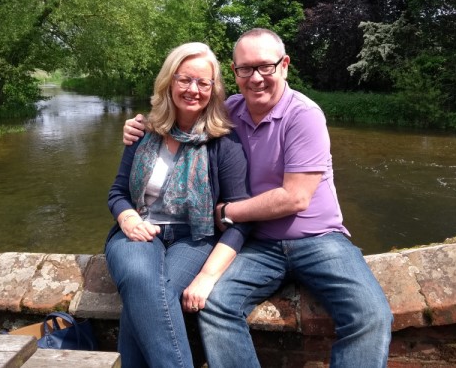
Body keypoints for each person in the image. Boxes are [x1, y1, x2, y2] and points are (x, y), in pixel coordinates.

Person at [123, 29, 393, 368]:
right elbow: (179, 118)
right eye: (245, 69)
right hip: (258, 245)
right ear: (234, 72)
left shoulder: (304, 115)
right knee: (216, 306)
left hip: (318, 239)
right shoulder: (227, 113)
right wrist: (141, 126)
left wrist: (228, 212)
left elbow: (295, 198)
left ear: (285, 65)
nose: (256, 78)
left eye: (265, 66)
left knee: (371, 316)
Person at [105, 42, 252, 368]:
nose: (193, 89)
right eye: (185, 79)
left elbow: (240, 219)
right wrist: (127, 218)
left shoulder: (224, 141)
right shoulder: (143, 131)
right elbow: (117, 192)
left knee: (151, 295)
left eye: (203, 82)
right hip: (138, 229)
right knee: (141, 279)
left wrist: (209, 275)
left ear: (214, 89)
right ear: (169, 81)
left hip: (194, 237)